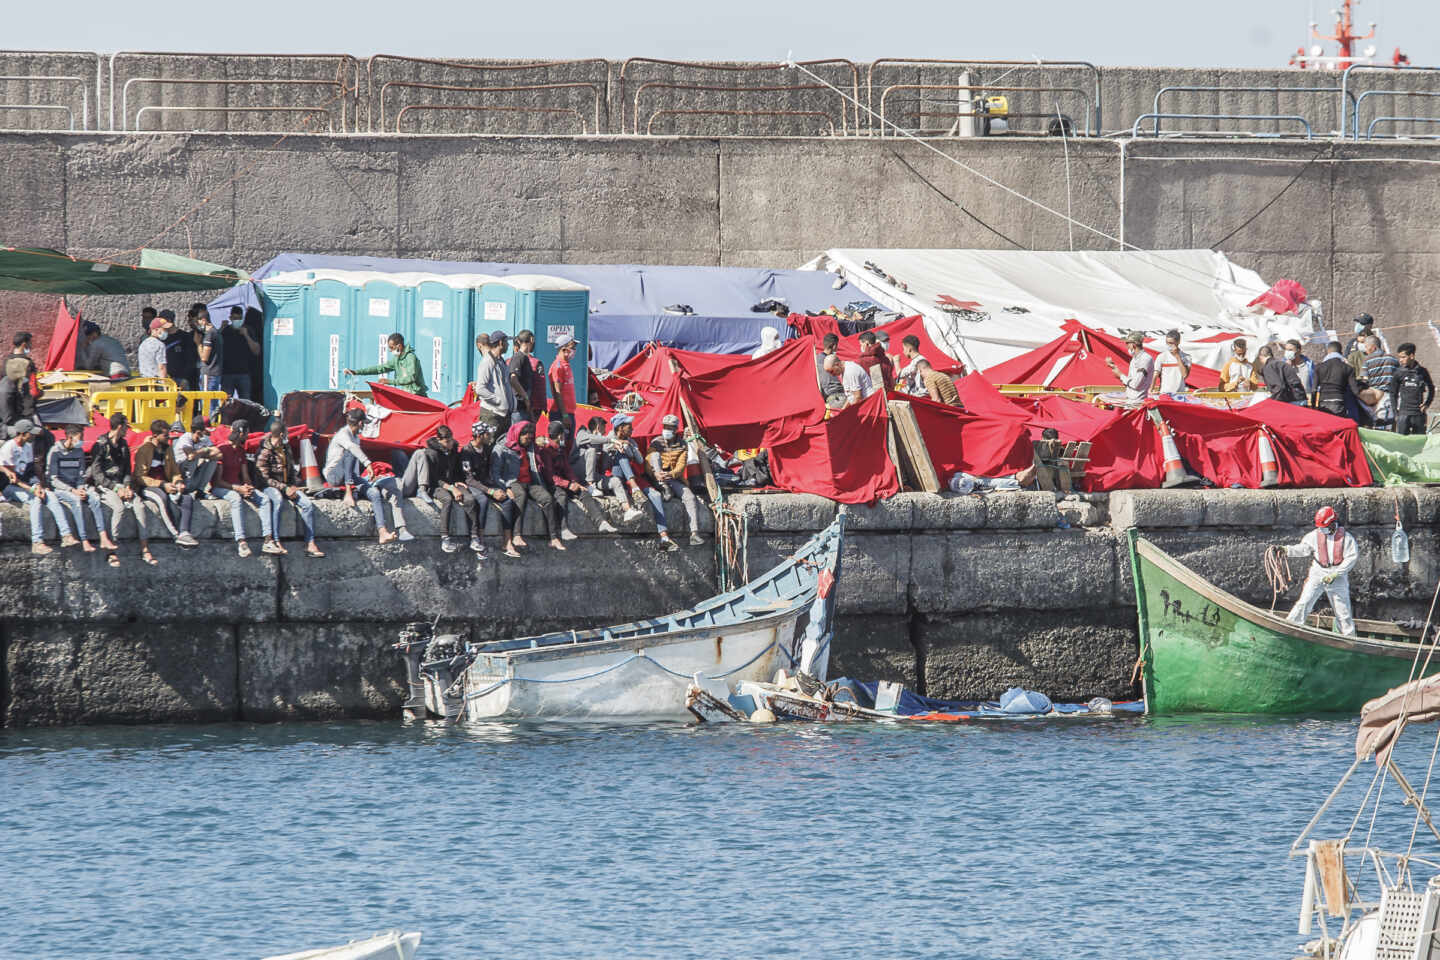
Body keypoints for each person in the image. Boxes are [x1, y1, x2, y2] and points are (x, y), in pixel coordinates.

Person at [603, 413, 679, 551]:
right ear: (620, 428)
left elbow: (639, 460)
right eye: (629, 426)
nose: (632, 429)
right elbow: (604, 455)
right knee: (621, 454)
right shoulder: (608, 438)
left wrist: (631, 447)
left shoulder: (631, 441)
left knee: (655, 495)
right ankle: (635, 489)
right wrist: (617, 445)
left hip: (633, 476)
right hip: (616, 476)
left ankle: (664, 537)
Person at [86, 412, 153, 566]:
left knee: (139, 506)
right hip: (106, 485)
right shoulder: (101, 445)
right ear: (120, 427)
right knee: (119, 507)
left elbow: (127, 469)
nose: (127, 431)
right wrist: (116, 489)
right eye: (126, 427)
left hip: (122, 484)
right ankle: (112, 550)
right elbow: (97, 474)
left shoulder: (123, 445)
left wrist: (128, 486)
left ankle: (145, 548)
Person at [0, 419, 76, 554]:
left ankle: (66, 535)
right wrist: (32, 489)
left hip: (25, 485)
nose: (34, 436)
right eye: (31, 433)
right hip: (9, 487)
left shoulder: (28, 447)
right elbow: (11, 478)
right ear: (22, 434)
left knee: (51, 496)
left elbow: (30, 471)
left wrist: (38, 485)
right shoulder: (9, 447)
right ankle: (37, 541)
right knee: (35, 500)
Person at [1282, 506, 1358, 637]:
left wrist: (1336, 574)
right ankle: (1290, 628)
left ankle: (1348, 639)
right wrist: (1286, 550)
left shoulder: (1347, 538)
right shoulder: (1314, 536)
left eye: (1325, 527)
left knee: (1343, 612)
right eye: (1321, 528)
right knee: (1305, 601)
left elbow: (1351, 558)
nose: (1322, 530)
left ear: (1333, 523)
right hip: (1318, 572)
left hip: (1337, 575)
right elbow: (1304, 549)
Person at [209, 419, 280, 557]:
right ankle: (241, 542)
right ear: (241, 433)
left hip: (238, 486)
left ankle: (268, 540)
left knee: (264, 499)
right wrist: (238, 489)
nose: (248, 436)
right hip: (222, 487)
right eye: (247, 433)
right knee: (236, 499)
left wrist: (249, 487)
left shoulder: (240, 451)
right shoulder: (221, 449)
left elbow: (245, 475)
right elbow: (217, 481)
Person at [254, 419, 325, 558]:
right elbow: (263, 478)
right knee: (277, 500)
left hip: (287, 486)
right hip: (269, 486)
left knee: (307, 505)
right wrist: (284, 488)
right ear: (281, 434)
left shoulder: (285, 448)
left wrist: (293, 485)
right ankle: (275, 541)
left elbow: (291, 469)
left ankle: (310, 543)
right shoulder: (264, 451)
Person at [491, 421, 565, 551]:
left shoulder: (530, 446)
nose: (528, 440)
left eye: (531, 438)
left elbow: (542, 453)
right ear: (518, 435)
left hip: (530, 482)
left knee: (547, 499)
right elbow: (495, 473)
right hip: (512, 482)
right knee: (520, 495)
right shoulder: (501, 448)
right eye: (526, 438)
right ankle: (516, 535)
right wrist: (505, 488)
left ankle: (553, 538)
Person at [539, 419, 617, 538]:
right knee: (561, 497)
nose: (565, 436)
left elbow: (567, 468)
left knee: (583, 493)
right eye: (563, 434)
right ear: (560, 435)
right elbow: (550, 476)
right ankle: (564, 529)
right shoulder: (546, 451)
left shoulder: (561, 449)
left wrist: (575, 481)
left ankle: (601, 522)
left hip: (565, 482)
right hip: (553, 484)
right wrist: (568, 485)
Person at [130, 419, 199, 548]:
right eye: (165, 435)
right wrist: (162, 485)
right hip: (148, 486)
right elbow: (140, 477)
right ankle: (176, 534)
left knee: (187, 499)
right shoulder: (144, 450)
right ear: (155, 435)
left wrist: (178, 482)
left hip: (167, 485)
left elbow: (174, 471)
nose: (168, 438)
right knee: (162, 498)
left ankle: (184, 532)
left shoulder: (168, 449)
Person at [457, 420, 514, 557]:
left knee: (507, 501)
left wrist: (502, 488)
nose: (491, 437)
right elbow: (469, 478)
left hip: (486, 482)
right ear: (479, 435)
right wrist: (490, 491)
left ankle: (507, 541)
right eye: (488, 434)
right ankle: (479, 540)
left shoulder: (487, 449)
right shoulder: (466, 452)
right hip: (472, 484)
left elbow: (490, 473)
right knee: (482, 501)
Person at [46, 423, 105, 553]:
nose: (82, 441)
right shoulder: (55, 451)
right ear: (70, 438)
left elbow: (81, 475)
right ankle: (84, 539)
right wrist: (73, 490)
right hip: (61, 489)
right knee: (76, 501)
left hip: (77, 486)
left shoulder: (79, 452)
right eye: (80, 437)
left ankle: (103, 536)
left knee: (95, 498)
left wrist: (81, 488)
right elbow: (53, 479)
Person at [646, 414, 703, 545]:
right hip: (657, 476)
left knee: (690, 497)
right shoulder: (656, 442)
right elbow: (648, 462)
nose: (667, 430)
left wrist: (671, 474)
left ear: (676, 429)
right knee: (655, 456)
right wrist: (656, 474)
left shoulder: (682, 444)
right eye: (665, 427)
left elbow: (681, 465)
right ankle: (663, 487)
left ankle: (694, 533)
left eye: (670, 428)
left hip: (673, 477)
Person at [345, 332, 427, 397]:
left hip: (418, 396)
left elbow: (410, 378)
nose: (390, 350)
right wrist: (356, 372)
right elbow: (379, 369)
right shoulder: (397, 360)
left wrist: (389, 381)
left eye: (391, 347)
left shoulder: (410, 357)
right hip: (407, 396)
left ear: (399, 346)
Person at [473, 330, 514, 436]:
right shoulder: (487, 362)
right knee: (490, 446)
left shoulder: (501, 361)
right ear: (500, 343)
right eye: (506, 342)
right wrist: (498, 401)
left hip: (504, 415)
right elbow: (480, 388)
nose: (508, 345)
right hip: (492, 415)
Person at [1390, 342, 1434, 436]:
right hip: (1403, 414)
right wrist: (1395, 413)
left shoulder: (1422, 372)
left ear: (1412, 356)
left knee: (1419, 443)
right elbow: (1393, 393)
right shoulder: (1399, 373)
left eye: (1403, 357)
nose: (1400, 360)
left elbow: (1431, 389)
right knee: (1402, 442)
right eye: (1399, 357)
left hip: (1418, 414)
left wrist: (1427, 404)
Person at [220, 306, 261, 401]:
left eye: (239, 319)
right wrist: (221, 329)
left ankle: (245, 416)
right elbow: (215, 346)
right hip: (227, 373)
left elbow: (256, 351)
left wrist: (246, 335)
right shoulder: (225, 331)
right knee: (226, 402)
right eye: (234, 319)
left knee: (246, 401)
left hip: (244, 373)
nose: (237, 321)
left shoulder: (248, 330)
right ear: (230, 318)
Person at [173, 415, 222, 494]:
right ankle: (185, 489)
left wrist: (201, 453)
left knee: (213, 461)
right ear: (199, 431)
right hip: (180, 476)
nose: (209, 433)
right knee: (192, 460)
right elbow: (190, 456)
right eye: (206, 430)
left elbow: (219, 454)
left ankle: (200, 490)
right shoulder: (186, 438)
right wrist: (204, 450)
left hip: (193, 475)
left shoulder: (205, 438)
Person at [1316, 340, 1364, 418]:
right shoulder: (1347, 367)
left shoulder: (1319, 367)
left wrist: (1315, 405)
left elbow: (1314, 389)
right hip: (1339, 401)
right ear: (1341, 352)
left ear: (1328, 351)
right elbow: (1355, 390)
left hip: (1323, 402)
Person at [1360, 335, 1399, 429]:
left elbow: (1364, 380)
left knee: (1377, 427)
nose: (1366, 350)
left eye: (1366, 347)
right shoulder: (1393, 359)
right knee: (1391, 426)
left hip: (1375, 398)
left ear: (1373, 347)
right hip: (1392, 397)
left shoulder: (1367, 360)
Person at [1104, 331, 1156, 401]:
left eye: (1127, 343)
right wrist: (1114, 368)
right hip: (1130, 400)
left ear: (1132, 345)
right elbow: (1129, 383)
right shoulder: (1134, 359)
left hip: (1137, 403)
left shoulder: (1145, 359)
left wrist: (1120, 375)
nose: (1126, 346)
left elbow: (1136, 384)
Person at [547, 335, 579, 437]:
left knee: (568, 447)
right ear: (564, 349)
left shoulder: (566, 365)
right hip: (561, 414)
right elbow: (557, 392)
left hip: (568, 413)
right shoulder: (558, 366)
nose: (574, 350)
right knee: (561, 447)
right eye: (572, 347)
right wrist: (564, 415)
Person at [195, 307, 224, 416]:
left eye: (198, 322)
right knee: (213, 403)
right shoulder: (216, 332)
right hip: (215, 372)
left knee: (208, 403)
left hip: (209, 373)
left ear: (204, 320)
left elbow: (204, 357)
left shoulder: (210, 334)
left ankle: (209, 425)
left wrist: (198, 344)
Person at [573, 415, 610, 494]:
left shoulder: (599, 440)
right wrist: (610, 440)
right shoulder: (582, 433)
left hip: (593, 474)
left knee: (606, 454)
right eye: (603, 429)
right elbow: (590, 438)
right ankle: (590, 486)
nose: (604, 432)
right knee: (591, 451)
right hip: (578, 470)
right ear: (598, 427)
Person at [6, 332, 39, 423]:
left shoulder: (6, 361)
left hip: (9, 405)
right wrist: (40, 393)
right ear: (24, 344)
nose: (31, 345)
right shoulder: (28, 363)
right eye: (30, 343)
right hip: (26, 407)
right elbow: (34, 390)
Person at [507, 330, 538, 423]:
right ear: (531, 340)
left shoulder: (525, 358)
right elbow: (513, 379)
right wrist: (526, 397)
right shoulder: (519, 357)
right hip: (518, 409)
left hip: (524, 408)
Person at [1153, 330, 1192, 396]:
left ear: (1178, 342)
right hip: (1164, 394)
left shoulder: (1187, 357)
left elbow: (1185, 375)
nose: (1168, 345)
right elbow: (1155, 374)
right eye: (1167, 343)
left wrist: (1177, 356)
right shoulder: (1161, 356)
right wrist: (1151, 389)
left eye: (1171, 343)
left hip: (1180, 394)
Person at [164, 309, 196, 388]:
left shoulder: (185, 337)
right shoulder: (162, 339)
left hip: (181, 380)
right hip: (167, 380)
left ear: (169, 321)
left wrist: (185, 378)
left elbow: (191, 360)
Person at [137, 314, 172, 380]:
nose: (167, 331)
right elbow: (161, 367)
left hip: (144, 381)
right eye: (165, 329)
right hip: (156, 383)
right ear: (156, 330)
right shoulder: (160, 345)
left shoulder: (143, 343)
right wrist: (164, 386)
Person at [817, 335, 847, 409]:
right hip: (837, 397)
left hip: (829, 398)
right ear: (834, 346)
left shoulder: (816, 360)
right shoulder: (834, 360)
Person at [1286, 339, 1317, 406]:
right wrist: (1287, 368)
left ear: (1298, 350)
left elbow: (1314, 382)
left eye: (1290, 350)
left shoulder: (1308, 365)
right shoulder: (1284, 365)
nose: (1288, 352)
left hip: (1306, 400)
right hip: (1290, 400)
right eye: (1286, 350)